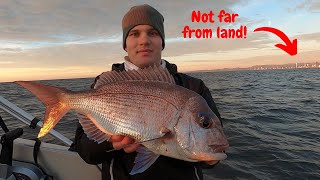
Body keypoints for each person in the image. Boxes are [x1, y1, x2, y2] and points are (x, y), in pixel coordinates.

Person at [72, 4, 223, 180]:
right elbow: (86, 153)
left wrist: (210, 159)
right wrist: (109, 141)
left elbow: (214, 148)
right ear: (125, 44)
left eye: (152, 33)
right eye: (134, 34)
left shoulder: (194, 87)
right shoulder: (102, 85)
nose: (144, 41)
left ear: (162, 42)